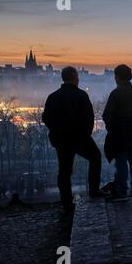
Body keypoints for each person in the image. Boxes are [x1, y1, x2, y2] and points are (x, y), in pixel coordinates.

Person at [42, 66, 105, 211]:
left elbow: (46, 118)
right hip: (79, 137)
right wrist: (85, 134)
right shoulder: (81, 95)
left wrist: (56, 130)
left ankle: (66, 200)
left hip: (61, 139)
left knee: (64, 170)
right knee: (95, 157)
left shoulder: (53, 96)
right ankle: (94, 190)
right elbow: (89, 118)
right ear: (74, 77)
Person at [103, 64, 132, 198]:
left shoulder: (116, 93)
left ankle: (122, 191)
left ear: (118, 77)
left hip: (119, 131)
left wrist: (112, 128)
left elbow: (107, 115)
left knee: (121, 162)